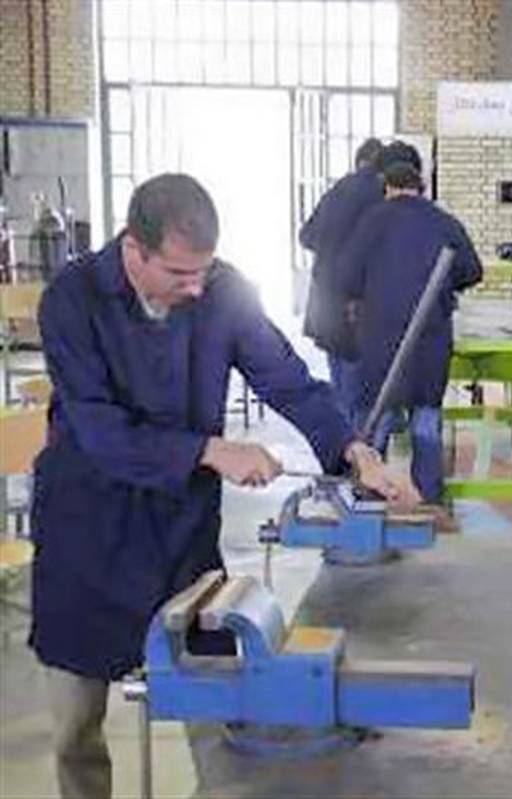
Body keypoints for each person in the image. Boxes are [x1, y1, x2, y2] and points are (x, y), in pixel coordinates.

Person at [31, 173, 412, 799]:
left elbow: (287, 379)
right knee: (76, 728)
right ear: (134, 249)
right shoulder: (73, 299)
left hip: (180, 534)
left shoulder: (222, 292)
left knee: (217, 708)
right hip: (86, 531)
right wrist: (210, 450)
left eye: (204, 271)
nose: (196, 287)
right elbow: (99, 430)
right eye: (180, 274)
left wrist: (353, 451)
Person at [337, 152, 483, 507]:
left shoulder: (372, 220)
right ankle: (428, 498)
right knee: (426, 416)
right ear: (422, 187)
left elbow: (345, 276)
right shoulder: (444, 222)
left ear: (387, 188)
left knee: (379, 415)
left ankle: (370, 494)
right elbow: (472, 271)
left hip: (380, 334)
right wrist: (445, 286)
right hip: (431, 335)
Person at [299, 137, 385, 415]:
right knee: (358, 391)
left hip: (325, 299)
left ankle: (341, 431)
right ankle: (353, 439)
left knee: (339, 379)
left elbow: (306, 236)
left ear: (358, 161)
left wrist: (331, 250)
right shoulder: (378, 194)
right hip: (356, 303)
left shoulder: (336, 191)